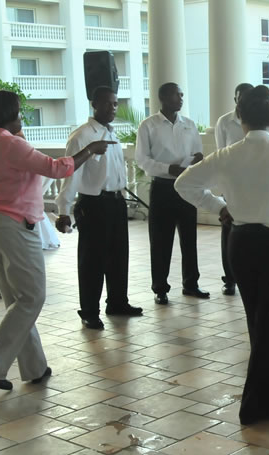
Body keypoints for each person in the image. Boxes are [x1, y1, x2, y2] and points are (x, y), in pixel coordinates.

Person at [174, 85, 269, 425]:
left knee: (259, 322)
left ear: (240, 119)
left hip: (241, 243)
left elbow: (184, 184)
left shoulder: (228, 155)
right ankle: (254, 404)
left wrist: (219, 206)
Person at [0, 90, 113, 390]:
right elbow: (57, 168)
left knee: (17, 299)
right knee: (32, 298)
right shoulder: (9, 142)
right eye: (19, 110)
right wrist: (90, 149)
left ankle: (33, 366)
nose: (22, 114)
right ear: (8, 113)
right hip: (12, 224)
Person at [57, 86, 143, 330]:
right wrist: (63, 209)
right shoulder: (82, 136)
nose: (112, 108)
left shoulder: (111, 133)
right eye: (107, 104)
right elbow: (70, 174)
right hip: (93, 204)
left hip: (115, 202)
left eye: (115, 104)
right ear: (94, 104)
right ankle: (89, 311)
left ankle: (117, 303)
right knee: (92, 261)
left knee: (119, 256)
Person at [135, 82, 207, 305]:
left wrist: (197, 159)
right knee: (161, 240)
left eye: (182, 94)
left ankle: (191, 284)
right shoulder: (148, 125)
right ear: (164, 97)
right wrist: (168, 169)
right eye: (177, 94)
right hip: (163, 187)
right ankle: (160, 288)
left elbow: (198, 152)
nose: (181, 97)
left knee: (189, 238)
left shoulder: (189, 124)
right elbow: (142, 159)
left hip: (186, 186)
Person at [214, 82, 254, 297]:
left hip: (255, 185)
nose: (244, 103)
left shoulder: (260, 119)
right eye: (241, 99)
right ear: (235, 100)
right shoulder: (224, 122)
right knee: (229, 232)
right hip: (232, 185)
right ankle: (229, 279)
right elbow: (221, 154)